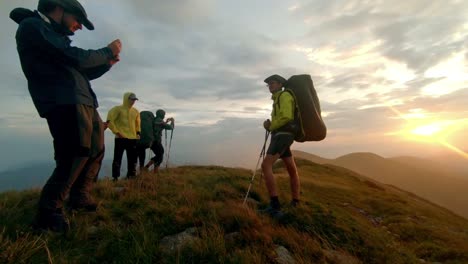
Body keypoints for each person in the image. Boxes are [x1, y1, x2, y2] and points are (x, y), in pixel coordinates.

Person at [10, 0, 121, 232]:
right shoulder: (32, 26)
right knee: (74, 153)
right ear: (59, 8)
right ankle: (48, 213)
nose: (79, 26)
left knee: (95, 150)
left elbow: (81, 73)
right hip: (63, 101)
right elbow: (77, 57)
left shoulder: (53, 38)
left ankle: (79, 196)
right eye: (78, 20)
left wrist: (107, 63)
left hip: (82, 100)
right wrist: (106, 51)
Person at [261, 74, 300, 219]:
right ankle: (296, 202)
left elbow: (286, 116)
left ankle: (275, 207)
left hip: (283, 135)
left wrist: (271, 127)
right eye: (269, 84)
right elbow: (280, 118)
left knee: (266, 166)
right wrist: (270, 125)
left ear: (280, 84)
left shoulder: (284, 96)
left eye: (273, 83)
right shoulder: (277, 99)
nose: (270, 85)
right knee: (291, 168)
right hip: (282, 135)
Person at [107, 92, 141, 181]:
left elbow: (138, 123)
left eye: (134, 100)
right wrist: (117, 132)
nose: (133, 101)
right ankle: (115, 178)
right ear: (126, 99)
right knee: (117, 158)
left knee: (133, 159)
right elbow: (109, 121)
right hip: (120, 138)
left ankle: (131, 176)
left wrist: (138, 133)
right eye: (132, 99)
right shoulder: (117, 109)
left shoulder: (136, 111)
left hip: (133, 139)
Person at [144, 110, 174, 174]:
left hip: (152, 141)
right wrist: (172, 121)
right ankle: (155, 171)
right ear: (161, 115)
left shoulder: (155, 120)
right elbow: (171, 127)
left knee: (159, 154)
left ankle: (146, 167)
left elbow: (159, 127)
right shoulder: (160, 121)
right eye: (164, 114)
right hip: (156, 142)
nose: (164, 115)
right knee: (160, 155)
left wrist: (166, 122)